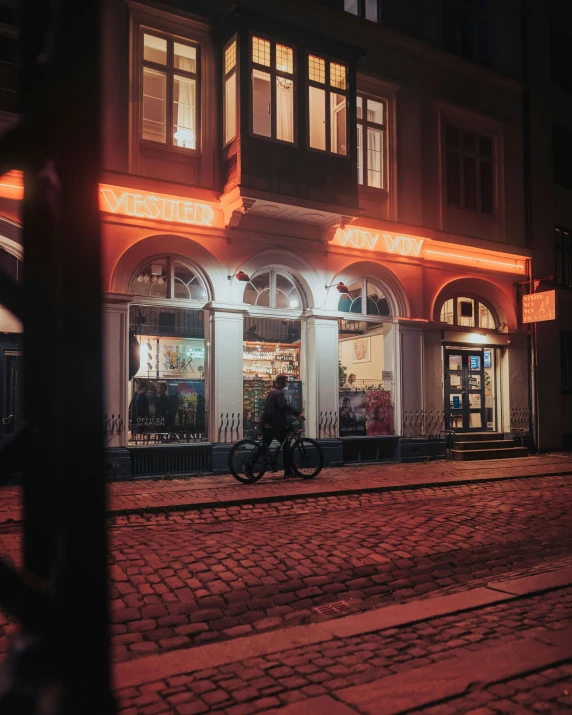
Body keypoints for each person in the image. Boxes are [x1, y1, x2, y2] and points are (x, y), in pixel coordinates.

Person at [258, 374, 305, 478]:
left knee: (264, 447)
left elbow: (274, 408)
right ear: (280, 381)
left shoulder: (272, 392)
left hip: (268, 423)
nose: (287, 383)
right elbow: (284, 407)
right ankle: (288, 471)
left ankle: (249, 465)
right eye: (285, 381)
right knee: (287, 446)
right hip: (275, 425)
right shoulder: (278, 393)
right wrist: (297, 413)